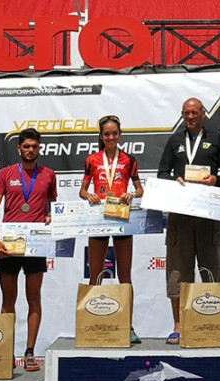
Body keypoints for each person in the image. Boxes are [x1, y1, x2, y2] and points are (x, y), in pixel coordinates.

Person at [157, 97, 220, 345]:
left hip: (209, 215)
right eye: (186, 113)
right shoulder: (175, 140)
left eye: (194, 112)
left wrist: (215, 180)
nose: (190, 117)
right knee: (178, 271)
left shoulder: (216, 138)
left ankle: (213, 322)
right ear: (182, 115)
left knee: (212, 268)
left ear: (202, 114)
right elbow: (162, 174)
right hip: (180, 216)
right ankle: (179, 325)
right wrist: (175, 181)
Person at [0, 127, 57, 372]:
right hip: (8, 244)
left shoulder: (49, 174)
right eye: (26, 146)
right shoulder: (6, 174)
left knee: (34, 297)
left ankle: (29, 352)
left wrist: (50, 217)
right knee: (8, 299)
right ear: (19, 149)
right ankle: (6, 352)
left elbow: (51, 207)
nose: (30, 150)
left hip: (35, 244)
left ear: (39, 148)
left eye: (34, 147)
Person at [79, 115, 144, 344]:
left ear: (120, 134)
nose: (110, 137)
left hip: (121, 218)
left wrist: (131, 194)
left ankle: (128, 326)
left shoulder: (129, 159)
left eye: (114, 133)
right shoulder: (92, 160)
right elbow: (82, 191)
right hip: (98, 218)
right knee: (95, 275)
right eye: (106, 134)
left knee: (124, 276)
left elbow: (139, 189)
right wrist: (90, 195)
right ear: (100, 136)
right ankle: (91, 323)